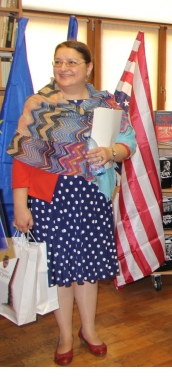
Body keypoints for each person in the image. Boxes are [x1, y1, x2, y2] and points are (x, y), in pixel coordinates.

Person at [9, 40, 136, 366]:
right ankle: (65, 335)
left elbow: (128, 142)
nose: (63, 68)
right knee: (61, 269)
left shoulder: (106, 103)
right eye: (58, 62)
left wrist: (110, 152)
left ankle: (88, 330)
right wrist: (20, 205)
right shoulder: (38, 104)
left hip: (92, 197)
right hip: (51, 200)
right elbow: (23, 158)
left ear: (88, 67)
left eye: (71, 62)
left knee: (89, 269)